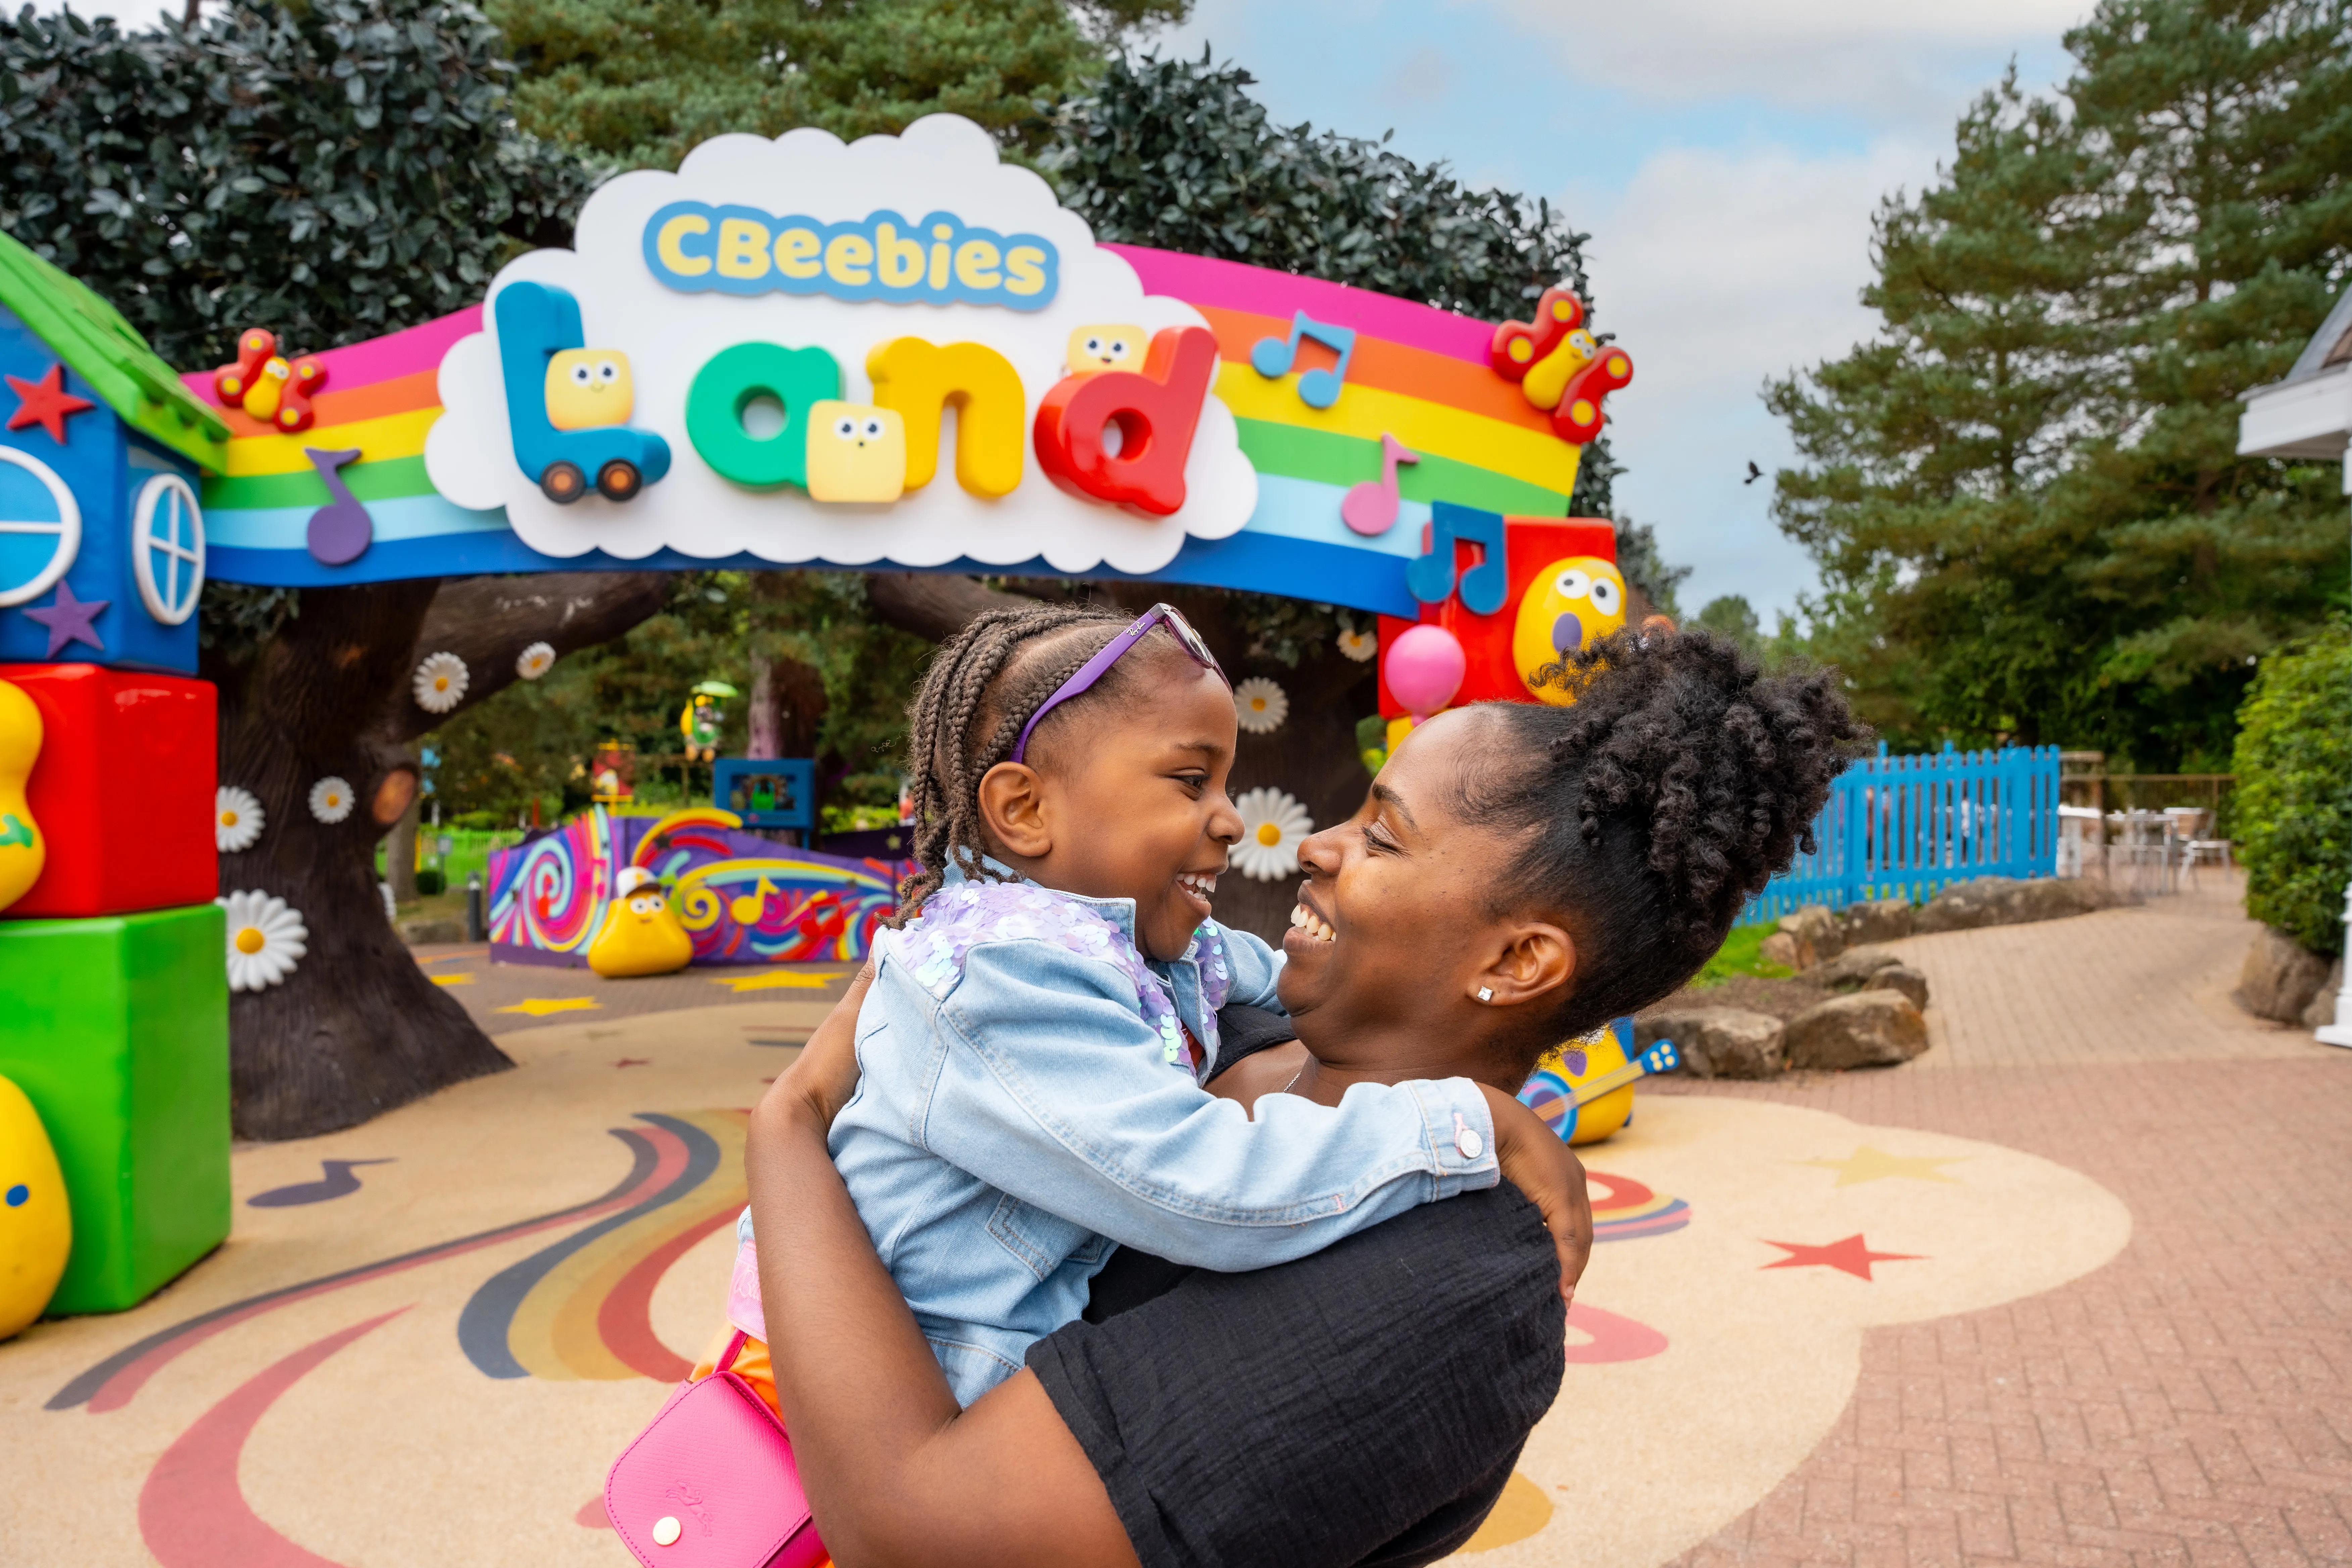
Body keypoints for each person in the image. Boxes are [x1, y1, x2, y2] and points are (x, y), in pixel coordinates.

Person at [747, 627, 1869, 1567]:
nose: (1314, 844)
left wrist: (787, 1127)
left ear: (1521, 961)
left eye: (1382, 835)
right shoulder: (1223, 1017)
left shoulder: (1451, 1295)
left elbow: (913, 1531)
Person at [701, 601, 1587, 1416]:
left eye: (1227, 783)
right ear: (1024, 809)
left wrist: (1381, 956)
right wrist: (1462, 1126)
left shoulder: (1122, 940)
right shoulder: (1006, 983)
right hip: (871, 1391)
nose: (1233, 821)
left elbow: (1270, 969)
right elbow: (1200, 1187)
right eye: (1190, 781)